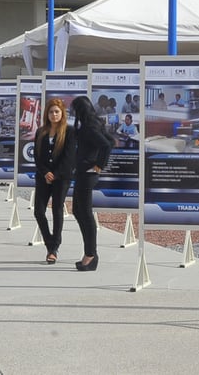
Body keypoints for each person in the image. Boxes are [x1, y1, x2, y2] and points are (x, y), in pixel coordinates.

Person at [69, 96, 113, 272]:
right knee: (78, 211)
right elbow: (110, 141)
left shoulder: (89, 128)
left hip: (88, 174)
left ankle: (91, 255)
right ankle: (89, 253)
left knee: (85, 213)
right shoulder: (90, 125)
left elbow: (106, 146)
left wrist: (99, 165)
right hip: (83, 173)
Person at [33, 98, 76, 264]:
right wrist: (45, 172)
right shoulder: (41, 131)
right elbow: (37, 156)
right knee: (38, 211)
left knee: (57, 209)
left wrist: (55, 174)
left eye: (57, 111)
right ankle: (49, 242)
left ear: (62, 113)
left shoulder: (69, 131)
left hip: (61, 178)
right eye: (51, 112)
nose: (54, 114)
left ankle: (54, 248)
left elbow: (69, 158)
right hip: (43, 177)